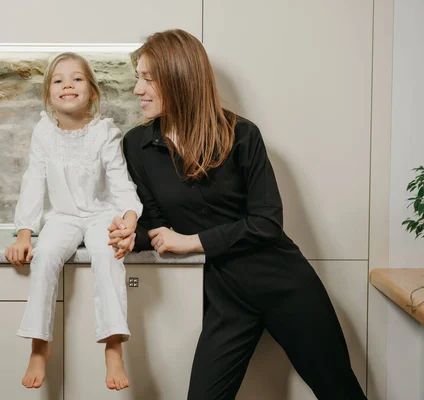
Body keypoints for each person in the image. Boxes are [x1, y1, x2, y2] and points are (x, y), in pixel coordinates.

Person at [108, 29, 367, 399]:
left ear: (180, 78)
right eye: (139, 78)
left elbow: (266, 223)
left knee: (341, 392)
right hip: (224, 297)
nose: (137, 89)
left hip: (284, 284)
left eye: (148, 79)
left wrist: (191, 241)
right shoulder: (137, 144)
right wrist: (132, 232)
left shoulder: (241, 135)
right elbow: (154, 222)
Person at [5, 52, 142, 391]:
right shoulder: (43, 133)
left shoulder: (104, 132)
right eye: (58, 79)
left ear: (92, 92)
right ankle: (39, 344)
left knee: (108, 254)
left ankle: (113, 345)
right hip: (63, 217)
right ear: (49, 96)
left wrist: (128, 220)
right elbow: (33, 182)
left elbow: (120, 180)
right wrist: (25, 235)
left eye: (77, 78)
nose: (68, 83)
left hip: (101, 214)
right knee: (46, 254)